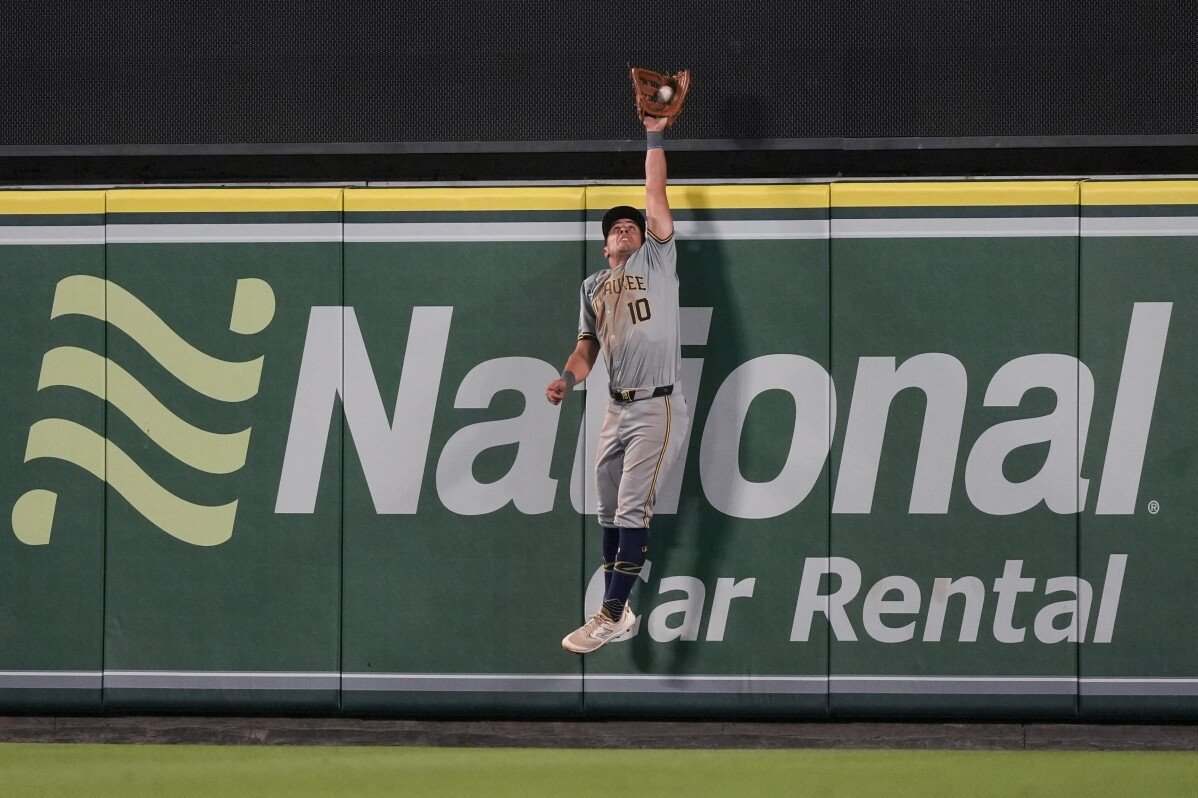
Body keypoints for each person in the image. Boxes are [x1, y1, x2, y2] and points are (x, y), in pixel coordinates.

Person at [546, 114, 690, 654]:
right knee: (606, 511)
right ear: (605, 245)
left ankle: (608, 613)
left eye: (630, 224)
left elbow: (655, 189)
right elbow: (587, 350)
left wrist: (654, 134)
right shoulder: (592, 285)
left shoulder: (658, 260)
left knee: (631, 510)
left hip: (657, 403)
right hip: (615, 407)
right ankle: (620, 608)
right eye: (615, 228)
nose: (625, 228)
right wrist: (565, 379)